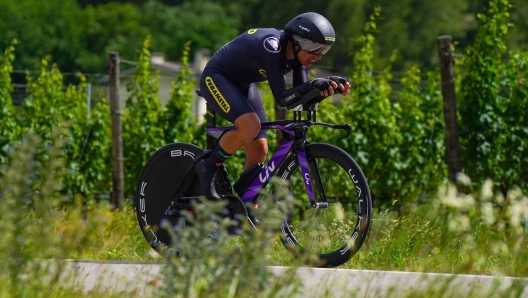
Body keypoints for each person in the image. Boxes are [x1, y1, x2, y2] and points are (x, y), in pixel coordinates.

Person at [197, 12, 351, 200]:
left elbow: (296, 102)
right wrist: (313, 85)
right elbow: (282, 99)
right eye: (314, 48)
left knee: (260, 148)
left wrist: (324, 89)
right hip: (217, 77)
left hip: (244, 84)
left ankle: (240, 204)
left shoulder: (298, 58)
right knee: (250, 126)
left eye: (323, 50)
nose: (318, 56)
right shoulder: (272, 46)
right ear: (295, 41)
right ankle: (208, 168)